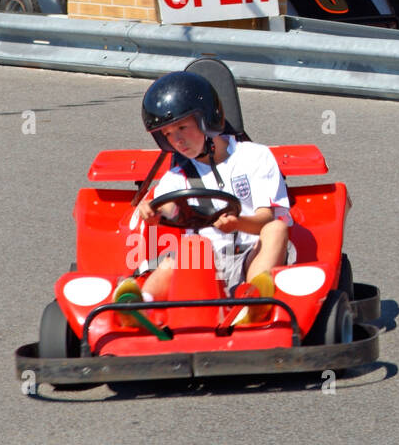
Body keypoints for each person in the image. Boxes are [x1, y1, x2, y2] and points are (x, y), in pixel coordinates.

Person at [112, 71, 295, 325]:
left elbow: (266, 219)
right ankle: (142, 303)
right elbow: (168, 207)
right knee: (188, 250)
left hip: (252, 255)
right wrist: (154, 212)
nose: (177, 140)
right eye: (167, 134)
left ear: (207, 120)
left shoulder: (255, 157)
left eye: (182, 128)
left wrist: (237, 223)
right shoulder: (175, 178)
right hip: (203, 266)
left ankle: (253, 302)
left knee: (276, 228)